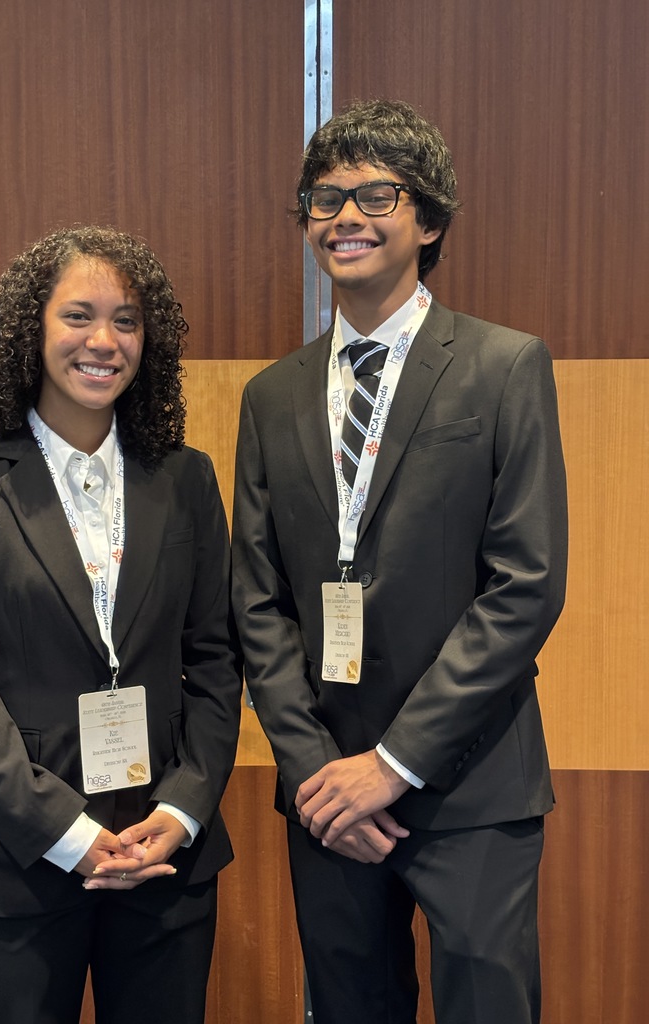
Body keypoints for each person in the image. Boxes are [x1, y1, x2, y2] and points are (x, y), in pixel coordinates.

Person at [232, 100, 567, 1024]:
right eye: (324, 197)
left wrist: (394, 762)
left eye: (376, 194)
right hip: (327, 798)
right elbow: (256, 602)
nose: (346, 216)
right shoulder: (271, 396)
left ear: (429, 221)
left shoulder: (504, 366)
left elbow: (526, 585)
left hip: (471, 782)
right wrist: (314, 772)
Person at [0, 225, 242, 1024]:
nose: (104, 341)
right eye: (78, 316)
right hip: (22, 865)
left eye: (127, 320)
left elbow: (217, 660)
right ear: (31, 330)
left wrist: (183, 809)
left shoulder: (186, 480)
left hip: (166, 860)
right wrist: (66, 831)